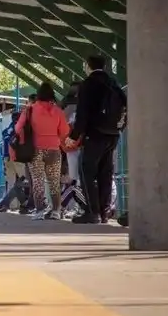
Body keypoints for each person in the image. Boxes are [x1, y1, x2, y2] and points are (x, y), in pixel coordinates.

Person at [67, 55, 126, 224]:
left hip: (94, 134)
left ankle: (92, 212)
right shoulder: (113, 83)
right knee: (105, 173)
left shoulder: (88, 84)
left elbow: (83, 113)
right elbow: (126, 105)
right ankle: (104, 211)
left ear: (87, 66)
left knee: (86, 171)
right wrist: (120, 127)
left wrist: (74, 136)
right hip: (112, 134)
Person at [16, 82, 69, 220]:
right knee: (54, 182)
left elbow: (17, 129)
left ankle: (39, 211)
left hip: (35, 150)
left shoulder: (30, 110)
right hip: (54, 150)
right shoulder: (58, 111)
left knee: (38, 181)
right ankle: (56, 211)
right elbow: (65, 131)